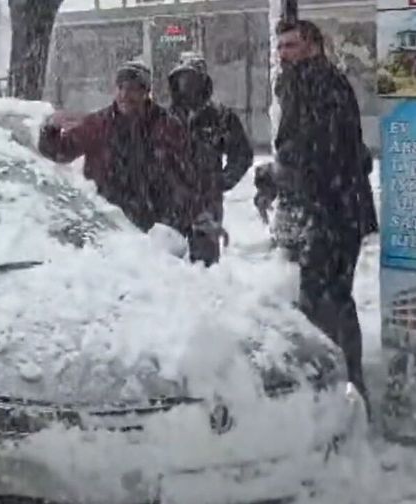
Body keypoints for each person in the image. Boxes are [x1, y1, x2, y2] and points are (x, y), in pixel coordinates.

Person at [255, 20, 378, 408]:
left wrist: (277, 174)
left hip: (334, 209)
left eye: (291, 45)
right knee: (319, 295)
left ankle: (344, 386)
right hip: (327, 205)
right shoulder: (303, 83)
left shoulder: (322, 84)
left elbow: (318, 149)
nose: (283, 53)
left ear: (313, 46)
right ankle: (339, 383)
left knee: (326, 296)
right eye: (280, 47)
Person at [38, 61, 204, 249]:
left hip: (156, 234)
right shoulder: (98, 125)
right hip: (106, 229)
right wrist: (50, 129)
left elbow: (189, 177)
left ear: (145, 92)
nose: (125, 95)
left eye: (132, 89)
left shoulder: (167, 127)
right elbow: (59, 152)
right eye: (121, 88)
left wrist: (185, 223)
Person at [168, 52, 254, 266]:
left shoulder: (221, 117)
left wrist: (222, 181)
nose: (186, 84)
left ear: (203, 81)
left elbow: (241, 153)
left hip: (207, 204)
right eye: (182, 78)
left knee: (204, 266)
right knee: (169, 266)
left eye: (192, 78)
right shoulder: (163, 119)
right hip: (170, 205)